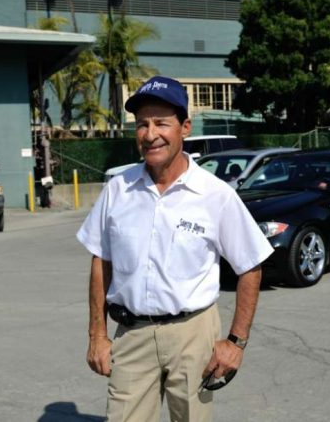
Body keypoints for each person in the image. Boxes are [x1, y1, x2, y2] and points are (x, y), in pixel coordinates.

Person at [76, 75, 274, 422]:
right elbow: (100, 261)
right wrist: (97, 335)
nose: (150, 134)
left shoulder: (216, 195)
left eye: (161, 123)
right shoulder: (118, 190)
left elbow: (250, 266)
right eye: (142, 124)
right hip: (132, 335)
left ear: (184, 127)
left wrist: (236, 343)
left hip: (193, 335)